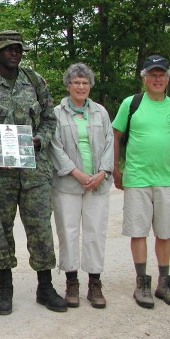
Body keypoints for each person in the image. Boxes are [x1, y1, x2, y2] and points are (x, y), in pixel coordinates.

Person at [0, 30, 67, 315]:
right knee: (1, 231)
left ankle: (45, 287)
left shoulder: (36, 81)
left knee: (40, 228)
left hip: (34, 170)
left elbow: (50, 118)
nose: (13, 52)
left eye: (17, 49)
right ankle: (5, 288)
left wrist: (40, 140)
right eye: (8, 48)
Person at [112, 55, 170, 308]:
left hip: (165, 181)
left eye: (162, 75)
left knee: (164, 233)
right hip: (136, 179)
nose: (157, 79)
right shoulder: (132, 104)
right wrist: (116, 169)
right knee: (138, 232)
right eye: (153, 75)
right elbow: (115, 136)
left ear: (167, 79)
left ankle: (164, 283)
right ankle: (142, 284)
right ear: (144, 78)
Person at [49, 63, 113, 309]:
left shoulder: (100, 112)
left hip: (97, 183)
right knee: (68, 232)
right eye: (76, 82)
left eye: (85, 82)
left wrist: (103, 172)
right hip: (68, 182)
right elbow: (54, 146)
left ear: (90, 86)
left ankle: (95, 283)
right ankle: (72, 282)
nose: (81, 86)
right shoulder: (56, 113)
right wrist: (75, 172)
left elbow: (110, 143)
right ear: (68, 85)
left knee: (95, 232)